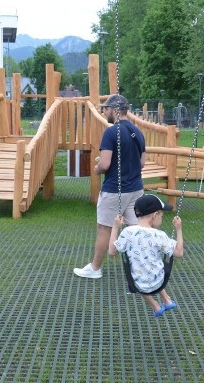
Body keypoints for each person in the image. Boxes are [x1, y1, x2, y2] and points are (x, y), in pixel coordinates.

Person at [73, 93, 146, 279]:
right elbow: (142, 163)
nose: (104, 113)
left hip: (115, 189)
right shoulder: (137, 132)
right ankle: (144, 266)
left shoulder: (111, 132)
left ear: (115, 110)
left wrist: (96, 169)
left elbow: (105, 165)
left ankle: (95, 268)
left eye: (105, 109)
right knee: (137, 228)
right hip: (136, 188)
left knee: (104, 228)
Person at [109, 194, 184, 317]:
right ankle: (167, 300)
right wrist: (179, 229)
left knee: (139, 277)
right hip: (159, 280)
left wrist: (115, 227)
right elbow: (179, 253)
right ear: (155, 215)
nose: (162, 218)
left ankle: (156, 306)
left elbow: (112, 251)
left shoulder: (127, 232)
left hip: (138, 283)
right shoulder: (159, 235)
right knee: (152, 271)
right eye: (161, 215)